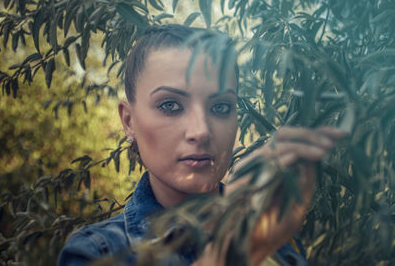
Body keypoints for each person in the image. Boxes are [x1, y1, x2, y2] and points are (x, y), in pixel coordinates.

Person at [58, 24, 346, 266]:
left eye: (221, 107)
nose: (201, 131)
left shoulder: (277, 245)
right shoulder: (97, 252)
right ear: (129, 121)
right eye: (170, 105)